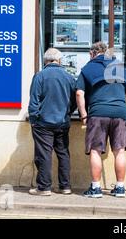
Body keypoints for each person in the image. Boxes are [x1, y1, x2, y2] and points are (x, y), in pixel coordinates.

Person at [76, 42, 126, 198]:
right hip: (121, 113)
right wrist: (121, 109)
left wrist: (84, 115)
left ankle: (95, 188)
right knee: (119, 151)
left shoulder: (88, 68)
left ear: (93, 54)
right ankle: (120, 188)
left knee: (95, 150)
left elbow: (79, 93)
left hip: (98, 113)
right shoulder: (121, 68)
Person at [28, 48, 77, 196]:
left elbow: (34, 101)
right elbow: (75, 100)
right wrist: (67, 113)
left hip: (43, 123)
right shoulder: (69, 77)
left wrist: (33, 119)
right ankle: (65, 186)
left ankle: (44, 187)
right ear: (59, 60)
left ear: (45, 60)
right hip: (62, 122)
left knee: (44, 154)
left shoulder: (40, 76)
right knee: (63, 153)